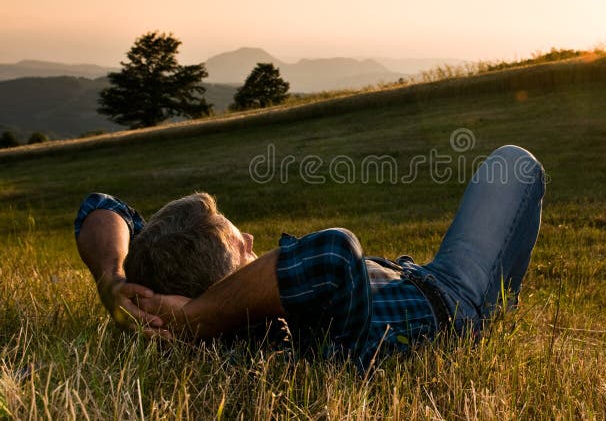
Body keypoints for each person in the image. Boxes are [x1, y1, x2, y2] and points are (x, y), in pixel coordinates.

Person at [75, 145, 545, 368]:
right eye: (244, 246)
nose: (254, 240)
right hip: (452, 297)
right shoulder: (286, 336)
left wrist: (112, 279)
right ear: (226, 287)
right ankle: (497, 306)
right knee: (513, 164)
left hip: (406, 273)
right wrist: (199, 317)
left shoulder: (161, 277)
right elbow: (335, 252)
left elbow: (99, 206)